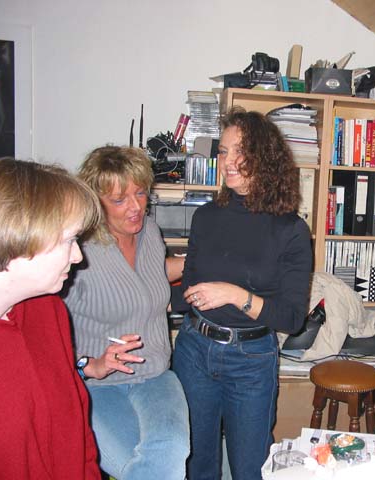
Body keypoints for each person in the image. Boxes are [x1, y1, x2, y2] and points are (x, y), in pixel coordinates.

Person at [172, 107, 313, 480]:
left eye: (241, 151)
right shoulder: (205, 217)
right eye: (223, 151)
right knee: (196, 464)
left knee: (250, 468)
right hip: (194, 349)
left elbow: (291, 319)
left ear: (264, 158)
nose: (228, 161)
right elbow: (188, 286)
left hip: (250, 360)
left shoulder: (291, 230)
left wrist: (235, 295)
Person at [62, 146, 190, 480]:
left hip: (156, 375)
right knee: (148, 466)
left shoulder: (150, 232)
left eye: (140, 193)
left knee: (170, 451)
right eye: (119, 199)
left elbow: (150, 277)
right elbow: (45, 330)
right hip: (99, 385)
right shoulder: (77, 250)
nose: (135, 207)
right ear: (95, 201)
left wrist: (201, 262)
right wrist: (88, 364)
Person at [0, 158, 101, 478]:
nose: (78, 256)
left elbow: (77, 424)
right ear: (18, 237)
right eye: (69, 240)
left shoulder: (47, 310)